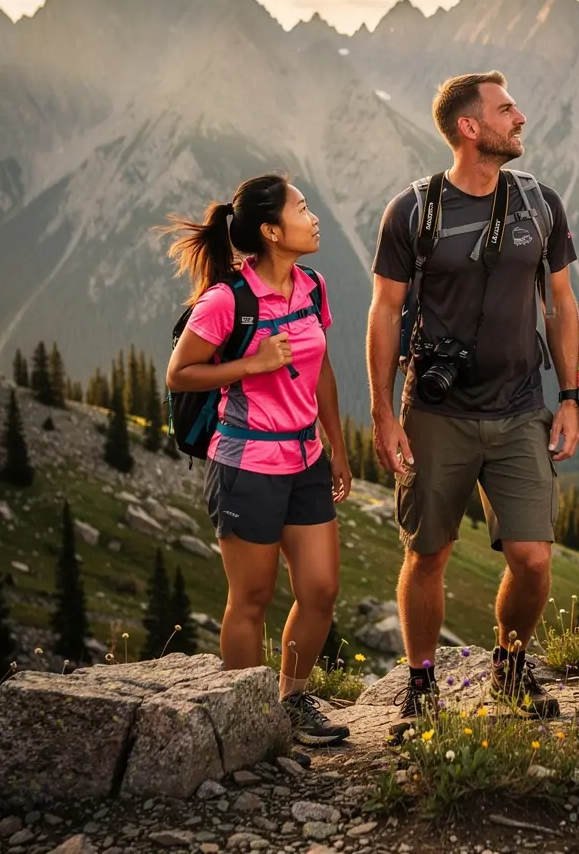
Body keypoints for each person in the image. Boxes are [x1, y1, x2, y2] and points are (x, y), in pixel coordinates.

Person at [367, 71, 579, 733]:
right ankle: (422, 683)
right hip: (436, 414)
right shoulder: (414, 211)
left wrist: (570, 397)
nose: (519, 117)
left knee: (534, 558)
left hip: (522, 408)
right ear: (469, 127)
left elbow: (563, 303)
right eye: (505, 109)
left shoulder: (539, 203)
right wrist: (381, 411)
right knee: (427, 554)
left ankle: (511, 668)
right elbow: (385, 309)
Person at [163, 172, 352, 747]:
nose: (313, 216)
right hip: (246, 465)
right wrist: (252, 364)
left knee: (320, 590)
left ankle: (291, 702)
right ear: (271, 230)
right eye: (301, 208)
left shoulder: (312, 285)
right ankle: (245, 725)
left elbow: (320, 369)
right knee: (251, 598)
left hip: (306, 459)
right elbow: (180, 373)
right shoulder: (227, 300)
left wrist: (338, 449)